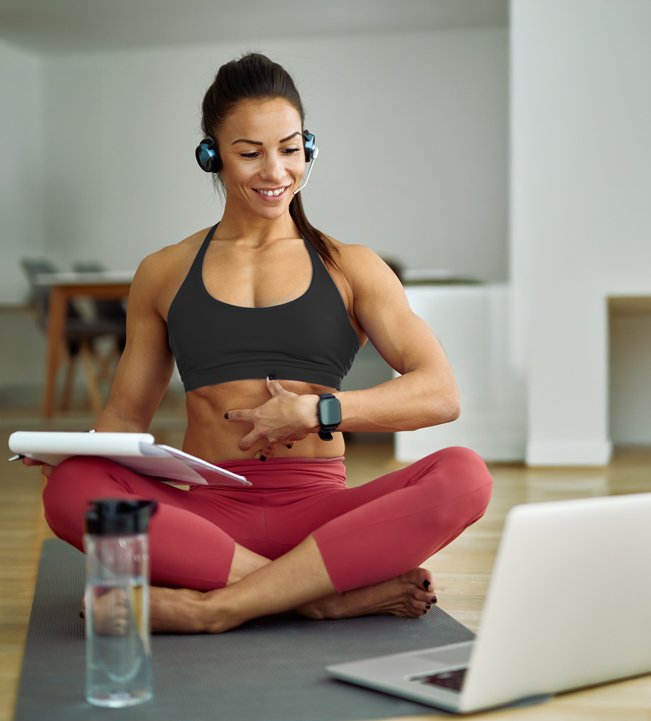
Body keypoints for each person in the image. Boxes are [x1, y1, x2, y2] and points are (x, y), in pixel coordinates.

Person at [28, 53, 493, 634]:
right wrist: (74, 456)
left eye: (290, 148)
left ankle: (214, 607)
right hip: (207, 514)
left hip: (320, 514)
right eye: (249, 152)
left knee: (466, 474)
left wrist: (319, 410)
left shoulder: (354, 267)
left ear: (309, 148)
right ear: (212, 156)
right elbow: (125, 415)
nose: (275, 171)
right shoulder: (164, 271)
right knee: (73, 486)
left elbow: (440, 394)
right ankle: (316, 598)